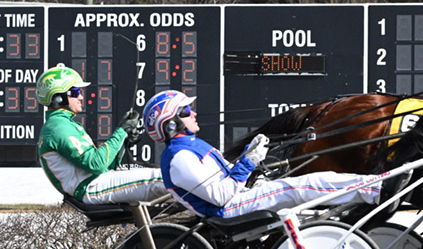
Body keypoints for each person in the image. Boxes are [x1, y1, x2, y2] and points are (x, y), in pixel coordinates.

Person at [143, 90, 409, 219]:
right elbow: (221, 196)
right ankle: (377, 190)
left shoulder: (191, 147)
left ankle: (375, 189)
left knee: (306, 184)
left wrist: (250, 158)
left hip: (237, 200)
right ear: (170, 124)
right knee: (304, 184)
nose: (194, 113)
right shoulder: (179, 158)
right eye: (186, 111)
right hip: (229, 210)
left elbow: (226, 179)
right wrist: (248, 162)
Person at [37, 63, 166, 205]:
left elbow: (105, 167)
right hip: (91, 188)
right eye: (75, 92)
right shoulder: (58, 127)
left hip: (95, 184)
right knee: (164, 178)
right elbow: (96, 164)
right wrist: (121, 131)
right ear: (58, 98)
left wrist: (124, 141)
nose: (81, 97)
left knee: (167, 178)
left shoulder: (61, 125)